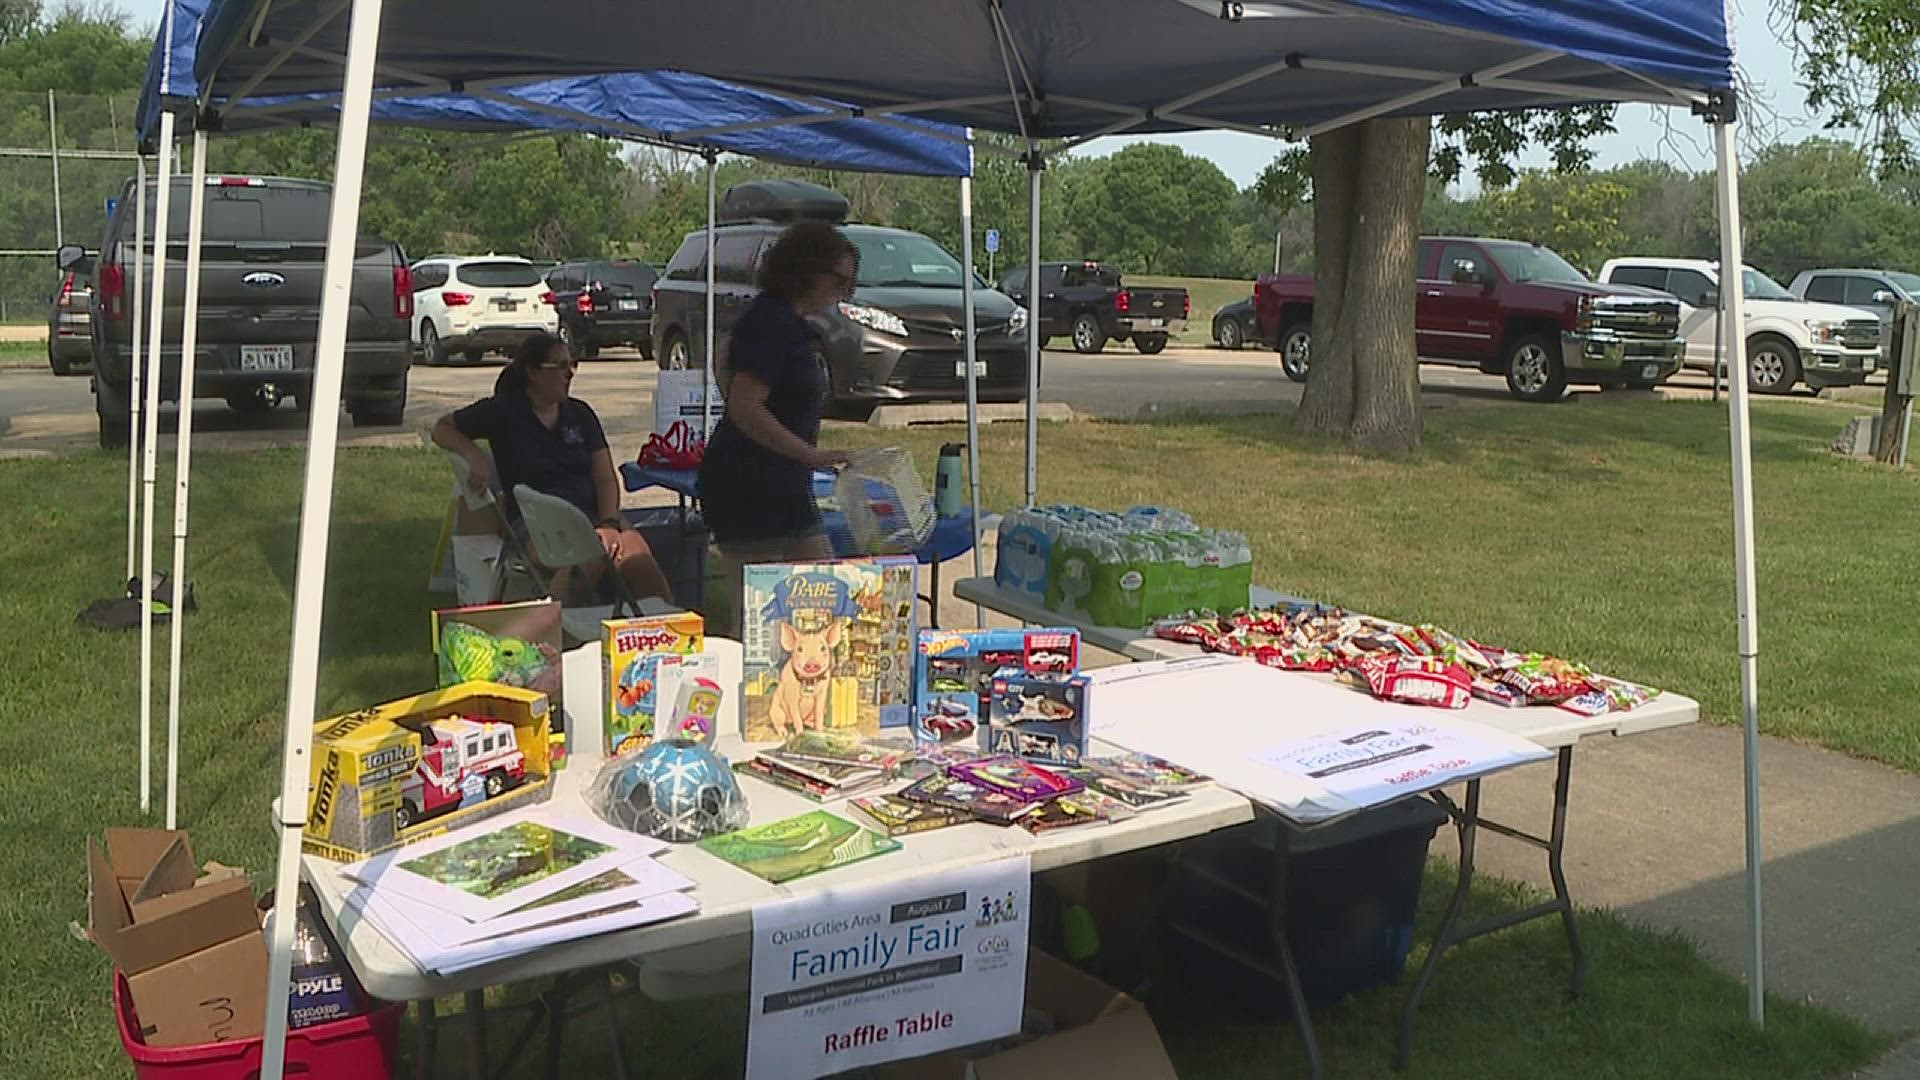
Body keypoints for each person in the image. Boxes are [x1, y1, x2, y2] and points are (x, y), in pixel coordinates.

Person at [432, 332, 674, 606]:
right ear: (533, 372)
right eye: (559, 366)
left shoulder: (580, 414)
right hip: (537, 521)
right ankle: (567, 626)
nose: (569, 374)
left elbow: (605, 477)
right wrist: (474, 454)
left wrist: (608, 523)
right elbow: (442, 428)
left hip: (591, 513)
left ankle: (665, 624)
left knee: (637, 553)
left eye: (572, 365)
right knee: (586, 556)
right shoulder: (504, 412)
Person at [698, 222, 857, 634]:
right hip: (750, 486)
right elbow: (745, 407)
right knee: (759, 616)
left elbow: (724, 361)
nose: (843, 293)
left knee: (821, 597)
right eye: (838, 280)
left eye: (850, 284)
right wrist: (812, 455)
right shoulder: (772, 321)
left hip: (780, 483)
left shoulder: (783, 321)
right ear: (806, 269)